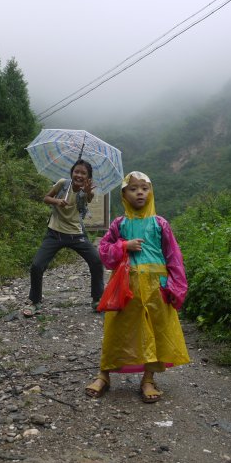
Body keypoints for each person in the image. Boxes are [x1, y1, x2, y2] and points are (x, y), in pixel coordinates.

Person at [85, 171, 190, 402]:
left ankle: (148, 379)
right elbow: (104, 252)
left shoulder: (160, 223)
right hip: (125, 286)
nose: (139, 192)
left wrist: (177, 287)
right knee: (116, 330)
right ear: (124, 194)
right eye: (133, 188)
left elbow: (174, 257)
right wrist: (123, 245)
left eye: (144, 187)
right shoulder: (119, 224)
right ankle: (104, 374)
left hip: (157, 288)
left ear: (151, 192)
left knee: (155, 331)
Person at [24, 159, 105, 317]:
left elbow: (88, 198)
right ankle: (35, 302)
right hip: (55, 232)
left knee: (96, 261)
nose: (79, 175)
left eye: (83, 173)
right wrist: (57, 201)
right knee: (37, 265)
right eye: (77, 171)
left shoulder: (87, 191)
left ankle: (97, 299)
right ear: (72, 172)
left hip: (76, 233)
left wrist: (88, 191)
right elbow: (46, 197)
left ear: (88, 177)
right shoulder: (62, 184)